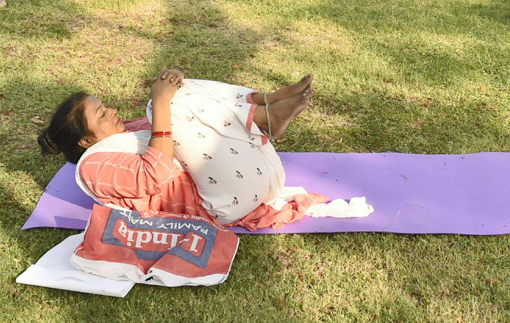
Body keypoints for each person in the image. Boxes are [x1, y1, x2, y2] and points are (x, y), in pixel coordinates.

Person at [39, 68, 324, 231]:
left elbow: (189, 116)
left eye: (105, 106)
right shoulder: (94, 167)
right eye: (102, 115)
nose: (112, 111)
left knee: (180, 93)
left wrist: (172, 86)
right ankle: (264, 117)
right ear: (85, 141)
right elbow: (155, 174)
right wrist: (161, 102)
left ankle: (265, 102)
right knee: (161, 104)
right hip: (223, 204)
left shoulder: (123, 133)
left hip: (259, 178)